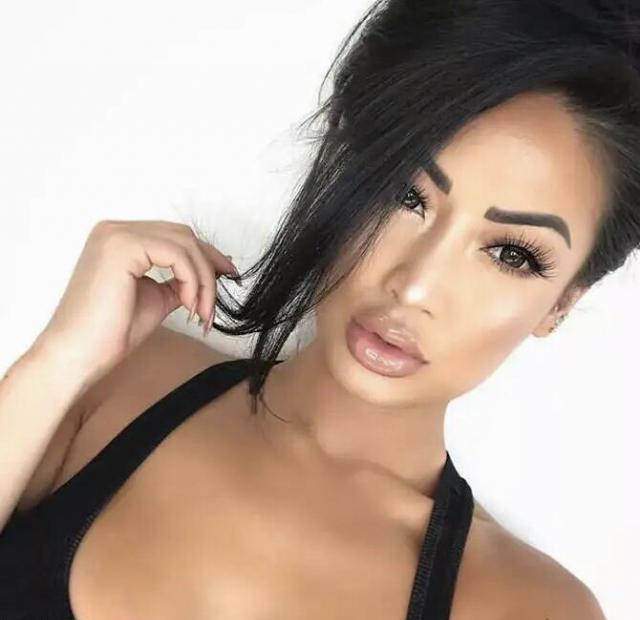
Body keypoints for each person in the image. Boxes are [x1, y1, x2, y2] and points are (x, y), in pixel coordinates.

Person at [3, 0, 637, 617]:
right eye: (404, 195)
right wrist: (56, 362)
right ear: (341, 164)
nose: (414, 286)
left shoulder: (528, 606)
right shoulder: (110, 387)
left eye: (510, 254)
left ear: (560, 304)